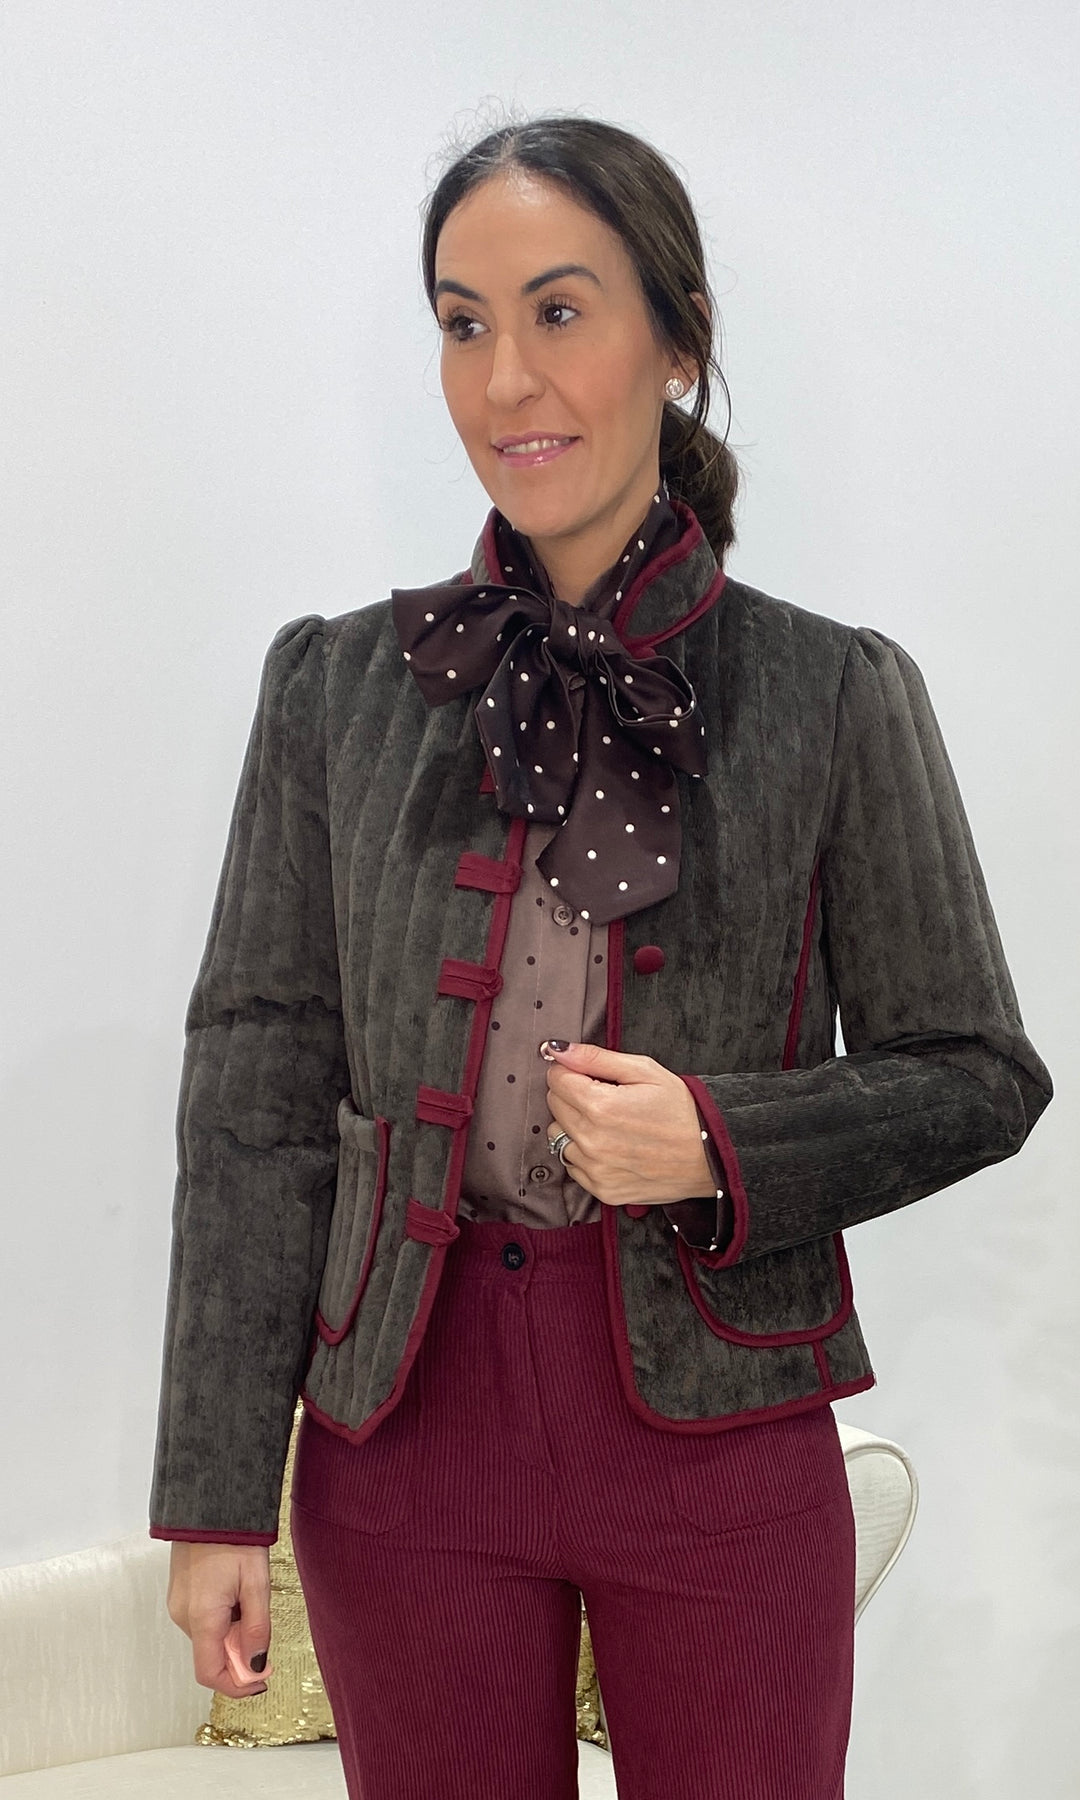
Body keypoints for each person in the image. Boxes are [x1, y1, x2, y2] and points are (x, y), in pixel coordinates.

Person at [149, 115, 1053, 1800]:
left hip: (719, 1435)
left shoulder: (833, 693)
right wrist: (212, 1498)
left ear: (679, 339)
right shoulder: (335, 692)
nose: (507, 380)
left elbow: (978, 1074)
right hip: (403, 1438)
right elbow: (257, 1095)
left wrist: (720, 1140)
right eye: (463, 322)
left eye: (559, 311)